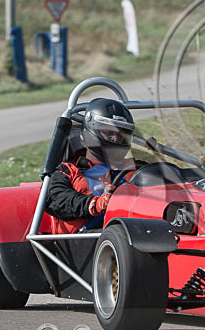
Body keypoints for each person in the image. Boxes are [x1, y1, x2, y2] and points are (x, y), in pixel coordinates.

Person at [45, 98, 138, 233]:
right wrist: (95, 204)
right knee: (121, 234)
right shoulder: (68, 171)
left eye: (121, 134)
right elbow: (55, 199)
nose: (115, 139)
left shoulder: (134, 168)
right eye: (109, 132)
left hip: (133, 231)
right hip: (84, 239)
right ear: (91, 130)